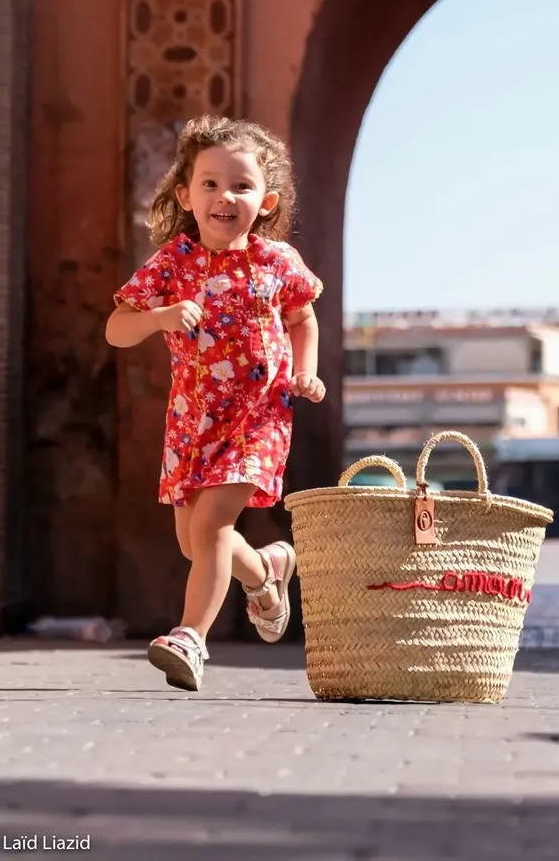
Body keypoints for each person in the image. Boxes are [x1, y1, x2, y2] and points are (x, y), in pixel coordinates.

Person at [105, 115, 326, 693]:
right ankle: (266, 569)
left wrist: (305, 371)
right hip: (191, 422)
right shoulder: (171, 263)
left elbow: (303, 318)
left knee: (210, 526)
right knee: (197, 542)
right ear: (186, 195)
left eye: (241, 186)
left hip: (259, 419)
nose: (225, 196)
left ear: (266, 201)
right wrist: (158, 317)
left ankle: (191, 638)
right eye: (210, 184)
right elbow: (116, 329)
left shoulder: (277, 262)